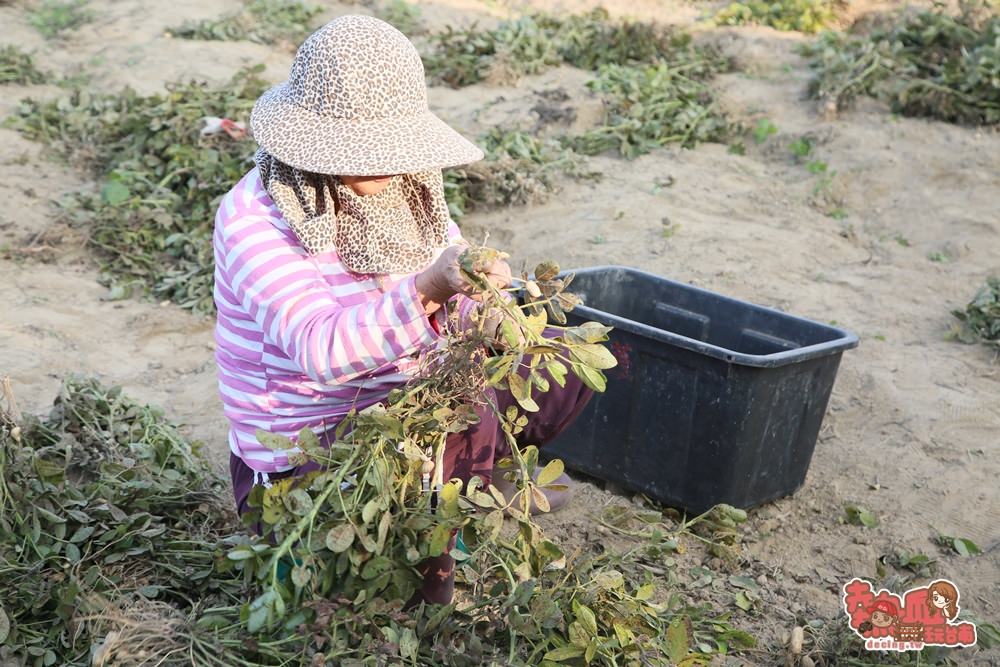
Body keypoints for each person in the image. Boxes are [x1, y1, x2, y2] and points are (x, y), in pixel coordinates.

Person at [213, 15, 593, 605]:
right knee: (410, 581)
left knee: (565, 367)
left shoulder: (410, 190)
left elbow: (454, 294)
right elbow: (321, 350)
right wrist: (428, 289)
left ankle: (475, 485)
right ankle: (440, 528)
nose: (382, 162)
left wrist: (485, 308)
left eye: (389, 143)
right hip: (318, 455)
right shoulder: (254, 219)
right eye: (360, 148)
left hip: (402, 404)